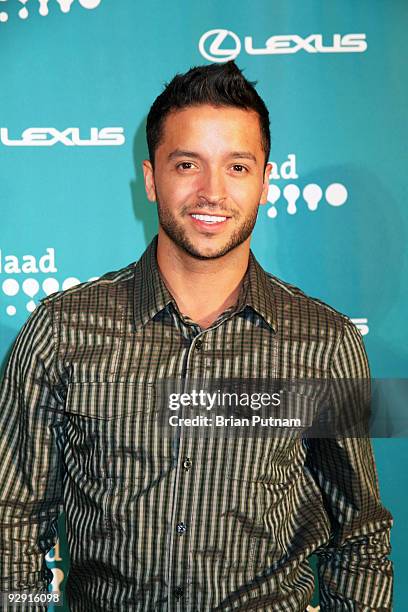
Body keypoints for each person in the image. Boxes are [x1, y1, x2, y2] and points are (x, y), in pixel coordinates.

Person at [0, 61, 393, 611]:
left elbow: (359, 536)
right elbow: (13, 524)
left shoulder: (325, 342)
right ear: (151, 177)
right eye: (188, 164)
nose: (212, 191)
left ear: (265, 182)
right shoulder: (60, 332)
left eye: (237, 166)